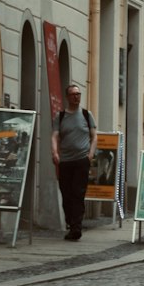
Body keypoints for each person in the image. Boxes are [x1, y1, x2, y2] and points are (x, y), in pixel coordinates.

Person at [51, 83, 97, 240]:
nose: (76, 97)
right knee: (66, 193)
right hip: (65, 161)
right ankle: (71, 222)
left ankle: (76, 227)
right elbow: (55, 135)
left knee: (78, 193)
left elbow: (94, 135)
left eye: (78, 94)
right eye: (73, 94)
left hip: (81, 160)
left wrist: (91, 154)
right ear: (67, 97)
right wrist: (55, 152)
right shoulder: (61, 116)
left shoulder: (86, 114)